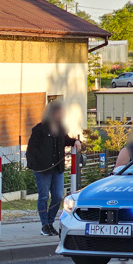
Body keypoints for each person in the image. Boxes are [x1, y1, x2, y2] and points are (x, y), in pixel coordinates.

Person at [26, 100, 81, 236]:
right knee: (43, 196)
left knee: (57, 196)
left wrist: (76, 141)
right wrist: (34, 164)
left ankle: (50, 223)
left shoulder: (61, 128)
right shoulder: (39, 129)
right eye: (59, 112)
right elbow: (31, 149)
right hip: (42, 169)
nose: (62, 114)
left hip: (57, 169)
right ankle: (44, 225)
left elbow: (66, 140)